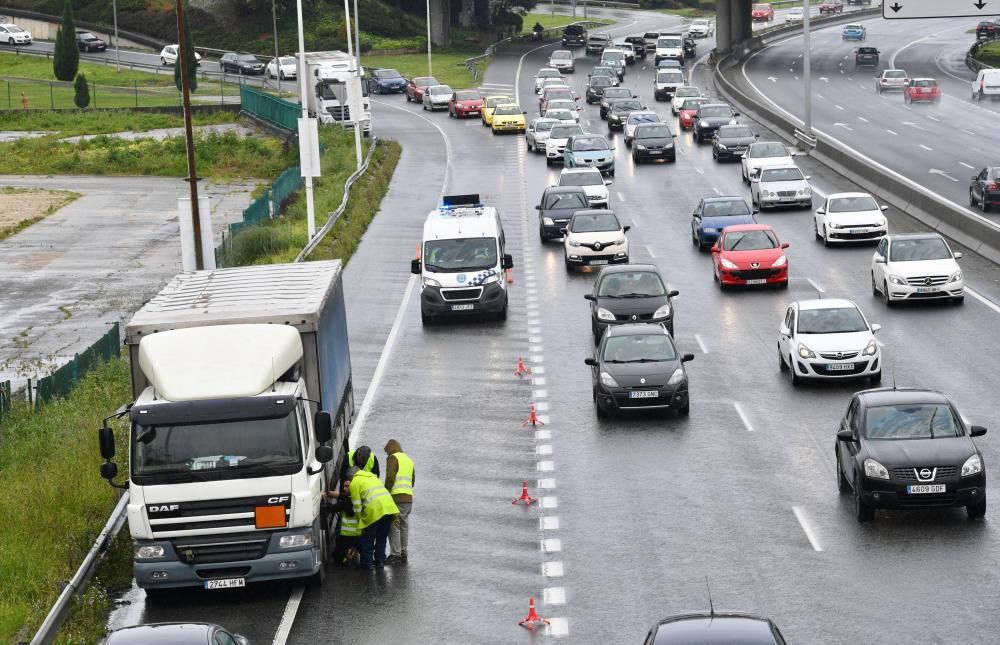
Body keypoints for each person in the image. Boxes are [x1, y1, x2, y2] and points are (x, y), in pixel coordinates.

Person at [350, 462, 399, 570]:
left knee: (367, 538)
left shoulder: (355, 482)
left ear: (351, 476)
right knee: (381, 537)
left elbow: (357, 506)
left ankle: (367, 564)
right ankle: (379, 561)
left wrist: (360, 523)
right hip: (389, 509)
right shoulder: (373, 477)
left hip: (375, 511)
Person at [383, 439, 414, 565]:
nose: (386, 455)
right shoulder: (408, 459)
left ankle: (395, 554)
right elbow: (412, 480)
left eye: (387, 452)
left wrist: (385, 492)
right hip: (408, 497)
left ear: (390, 448)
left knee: (394, 524)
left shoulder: (393, 458)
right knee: (404, 524)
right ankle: (403, 552)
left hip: (396, 497)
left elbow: (390, 477)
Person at [323, 468, 360, 567]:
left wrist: (323, 504)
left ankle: (347, 554)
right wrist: (330, 494)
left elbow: (333, 508)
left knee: (336, 557)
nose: (344, 488)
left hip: (348, 534)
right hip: (359, 533)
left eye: (347, 486)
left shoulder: (347, 501)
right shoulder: (357, 496)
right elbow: (343, 495)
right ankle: (354, 550)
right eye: (343, 486)